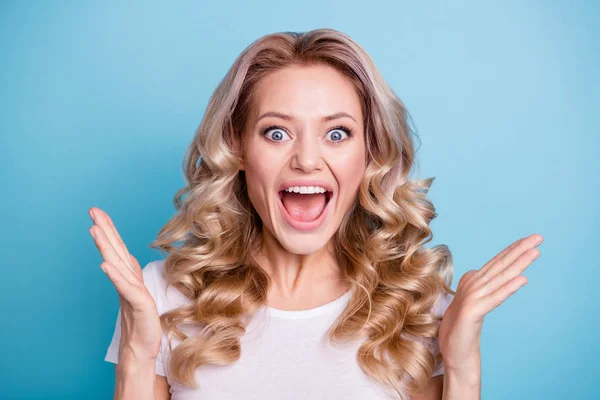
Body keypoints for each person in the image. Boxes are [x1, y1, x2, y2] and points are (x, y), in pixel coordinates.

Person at [89, 28, 543, 400]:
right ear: (238, 148)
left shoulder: (419, 308)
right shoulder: (165, 297)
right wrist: (136, 354)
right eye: (277, 133)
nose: (307, 159)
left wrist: (462, 369)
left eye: (338, 133)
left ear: (371, 154)